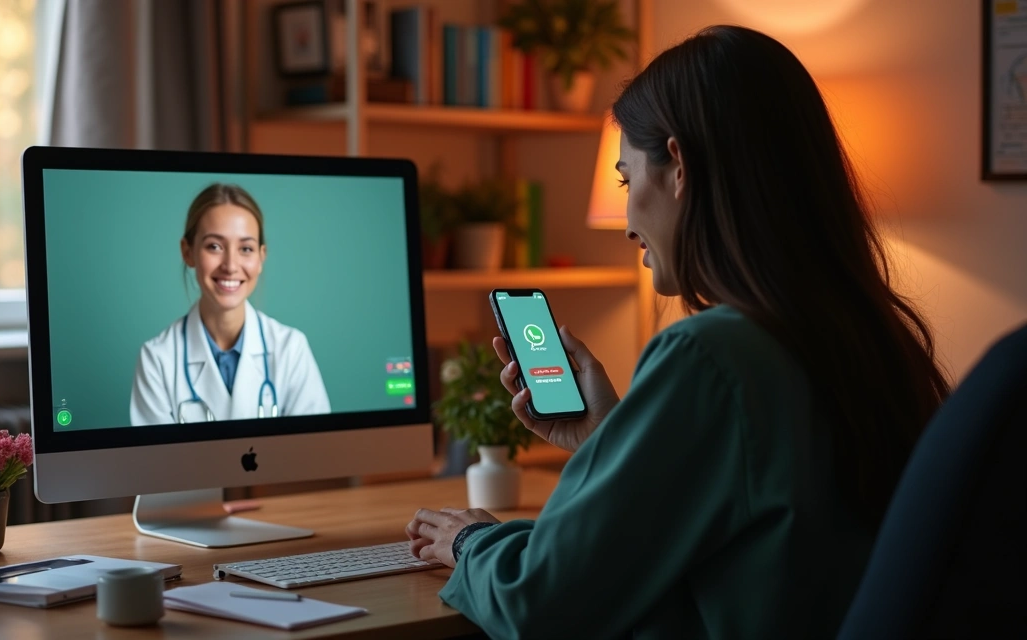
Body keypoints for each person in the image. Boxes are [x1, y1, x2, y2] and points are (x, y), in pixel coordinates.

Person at [406, 25, 950, 638]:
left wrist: (474, 542)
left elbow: (541, 602)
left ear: (679, 167)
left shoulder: (713, 356)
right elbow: (739, 531)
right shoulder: (876, 342)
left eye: (626, 178)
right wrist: (611, 440)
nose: (628, 219)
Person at [130, 183, 330, 425]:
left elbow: (312, 456)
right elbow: (156, 462)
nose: (231, 265)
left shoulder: (291, 350)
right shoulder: (158, 359)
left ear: (261, 257)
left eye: (246, 248)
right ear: (188, 252)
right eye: (214, 246)